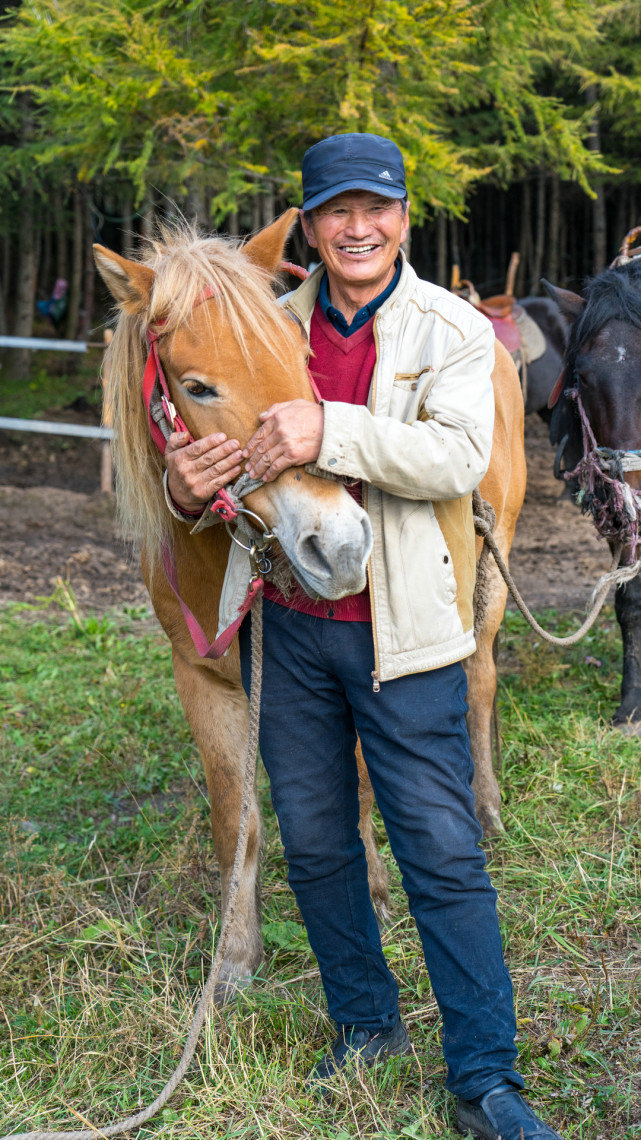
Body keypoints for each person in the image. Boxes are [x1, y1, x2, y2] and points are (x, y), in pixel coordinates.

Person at [164, 133, 562, 1140]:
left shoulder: (452, 329)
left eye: (373, 208)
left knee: (438, 851)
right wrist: (184, 489)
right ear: (305, 225)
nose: (355, 226)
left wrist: (324, 431)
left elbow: (455, 456)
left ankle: (483, 1076)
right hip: (291, 628)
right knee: (318, 844)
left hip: (407, 633)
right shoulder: (261, 320)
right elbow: (229, 449)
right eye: (333, 210)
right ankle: (363, 1026)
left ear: (401, 218)